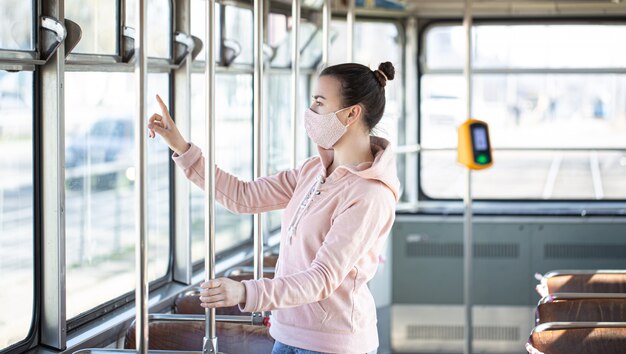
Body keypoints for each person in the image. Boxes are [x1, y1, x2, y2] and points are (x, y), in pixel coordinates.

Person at [147, 62, 400, 354]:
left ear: (352, 113)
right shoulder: (313, 171)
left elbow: (321, 278)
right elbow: (244, 196)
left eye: (319, 103)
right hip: (287, 335)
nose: (310, 112)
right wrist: (180, 146)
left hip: (333, 343)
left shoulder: (370, 193)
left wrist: (245, 291)